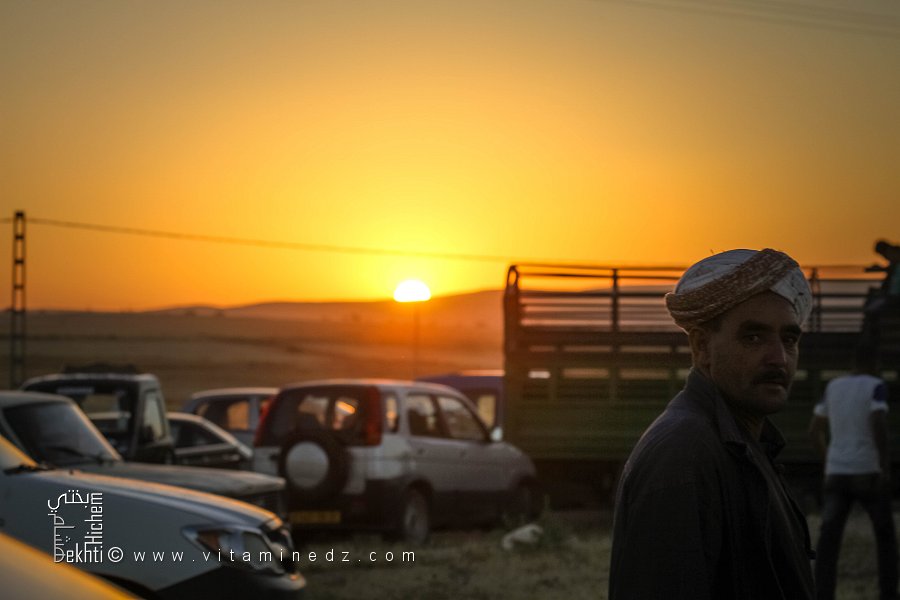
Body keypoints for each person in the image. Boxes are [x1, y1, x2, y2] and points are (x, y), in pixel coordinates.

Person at [609, 248, 816, 600]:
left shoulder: (743, 441)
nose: (778, 358)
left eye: (789, 339)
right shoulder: (683, 454)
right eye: (753, 337)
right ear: (702, 346)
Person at [808, 345, 898, 600]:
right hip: (868, 472)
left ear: (852, 363)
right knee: (884, 537)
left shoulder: (833, 387)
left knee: (829, 540)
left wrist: (829, 460)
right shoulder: (876, 386)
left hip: (837, 472)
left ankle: (823, 593)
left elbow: (814, 431)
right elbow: (878, 422)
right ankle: (888, 593)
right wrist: (884, 465)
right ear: (875, 363)